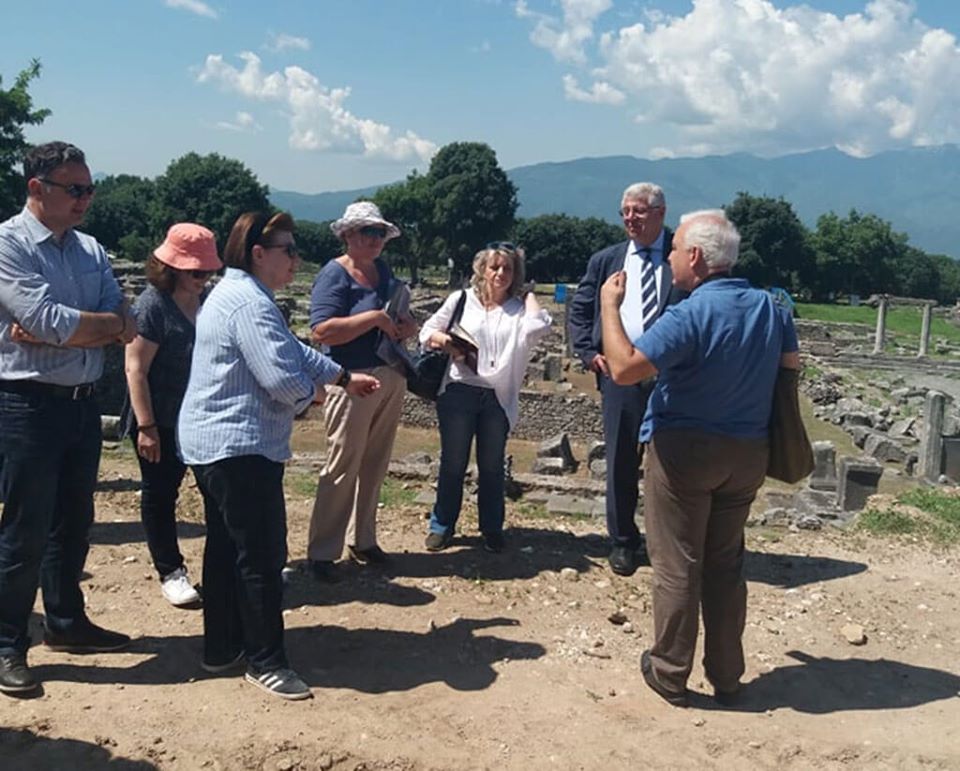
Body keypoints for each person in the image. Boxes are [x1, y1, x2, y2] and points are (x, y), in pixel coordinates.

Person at [599, 210, 800, 708]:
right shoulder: (772, 308)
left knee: (677, 563)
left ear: (695, 257)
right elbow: (790, 369)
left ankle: (669, 671)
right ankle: (728, 674)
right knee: (726, 563)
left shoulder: (689, 313)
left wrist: (610, 307)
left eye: (674, 250)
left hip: (685, 449)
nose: (667, 257)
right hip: (748, 450)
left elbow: (625, 369)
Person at [178, 211, 379, 701]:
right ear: (258, 254)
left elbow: (293, 350)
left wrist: (339, 377)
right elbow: (282, 378)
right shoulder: (249, 303)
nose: (296, 258)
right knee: (262, 555)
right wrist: (312, 396)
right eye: (288, 250)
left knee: (227, 547)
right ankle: (266, 660)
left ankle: (222, 647)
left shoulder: (239, 294)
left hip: (215, 443)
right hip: (239, 445)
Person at [0, 141, 137, 695]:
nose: (86, 199)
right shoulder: (8, 245)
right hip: (26, 404)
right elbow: (45, 320)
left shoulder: (91, 249)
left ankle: (65, 621)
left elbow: (123, 319)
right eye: (74, 189)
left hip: (81, 405)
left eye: (88, 188)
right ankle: (8, 642)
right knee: (24, 530)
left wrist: (78, 327)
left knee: (73, 523)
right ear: (38, 189)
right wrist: (90, 326)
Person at [568, 182, 685, 577]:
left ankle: (667, 539)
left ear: (660, 213)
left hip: (672, 376)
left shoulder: (680, 257)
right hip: (619, 375)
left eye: (638, 211)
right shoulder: (607, 259)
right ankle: (622, 540)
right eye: (625, 212)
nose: (630, 219)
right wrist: (586, 351)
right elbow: (582, 307)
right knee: (620, 457)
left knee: (672, 458)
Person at [306, 202, 416, 581]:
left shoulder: (382, 272)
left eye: (380, 233)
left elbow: (391, 320)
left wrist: (404, 326)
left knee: (375, 462)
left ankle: (363, 538)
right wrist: (374, 319)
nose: (375, 240)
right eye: (367, 232)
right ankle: (322, 551)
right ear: (347, 236)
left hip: (388, 372)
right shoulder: (334, 275)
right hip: (349, 379)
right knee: (342, 463)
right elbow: (321, 331)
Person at [420, 243, 552, 553]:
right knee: (453, 462)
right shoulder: (462, 300)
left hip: (498, 397)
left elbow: (540, 327)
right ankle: (442, 525)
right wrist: (448, 343)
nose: (501, 273)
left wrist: (529, 293)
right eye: (494, 267)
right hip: (459, 390)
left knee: (492, 465)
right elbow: (427, 332)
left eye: (507, 268)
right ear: (482, 269)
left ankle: (491, 528)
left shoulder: (519, 309)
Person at [123, 223, 222, 607]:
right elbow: (135, 368)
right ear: (174, 267)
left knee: (217, 492)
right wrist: (147, 427)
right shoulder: (153, 305)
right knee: (161, 493)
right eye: (197, 271)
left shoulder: (208, 300)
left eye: (208, 271)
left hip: (200, 417)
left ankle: (221, 569)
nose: (204, 278)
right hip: (160, 417)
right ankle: (170, 570)